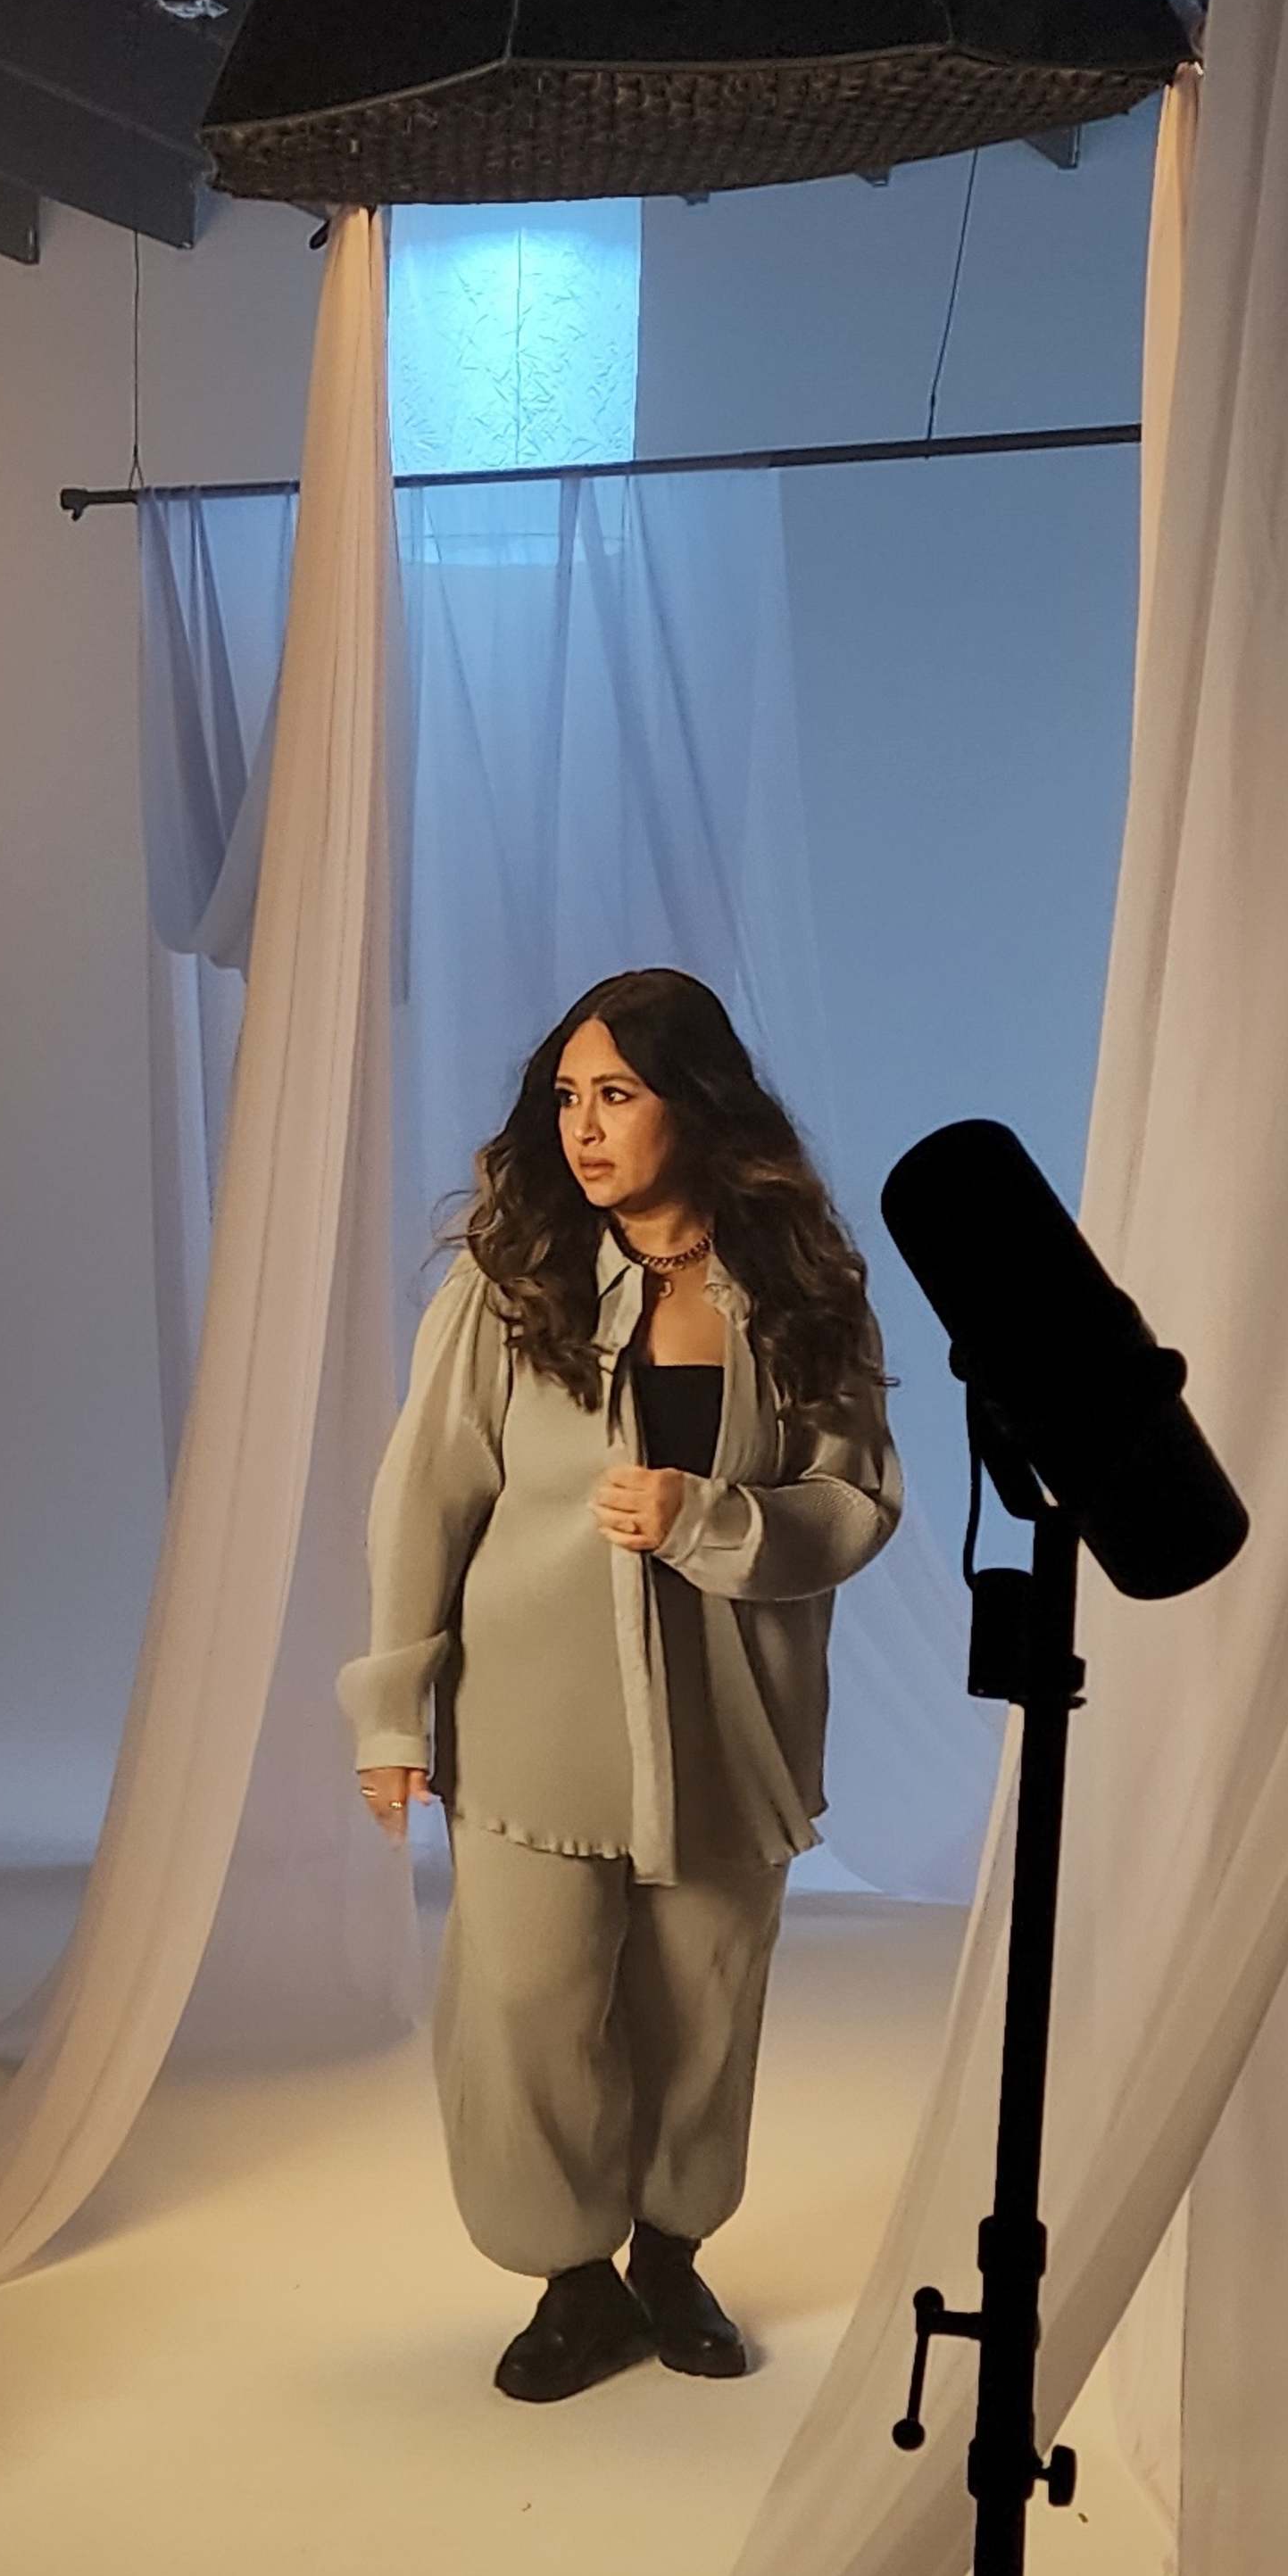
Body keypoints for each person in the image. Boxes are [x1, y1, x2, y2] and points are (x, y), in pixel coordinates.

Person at [343, 965, 900, 2404]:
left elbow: (858, 1500)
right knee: (527, 2002)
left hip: (734, 1727)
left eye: (618, 1095)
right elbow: (425, 1498)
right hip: (537, 1720)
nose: (583, 1130)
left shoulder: (799, 1287)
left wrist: (715, 1522)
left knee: (704, 2006)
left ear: (694, 1102)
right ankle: (569, 2279)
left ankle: (667, 2257)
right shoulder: (507, 1282)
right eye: (568, 1098)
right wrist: (394, 1708)